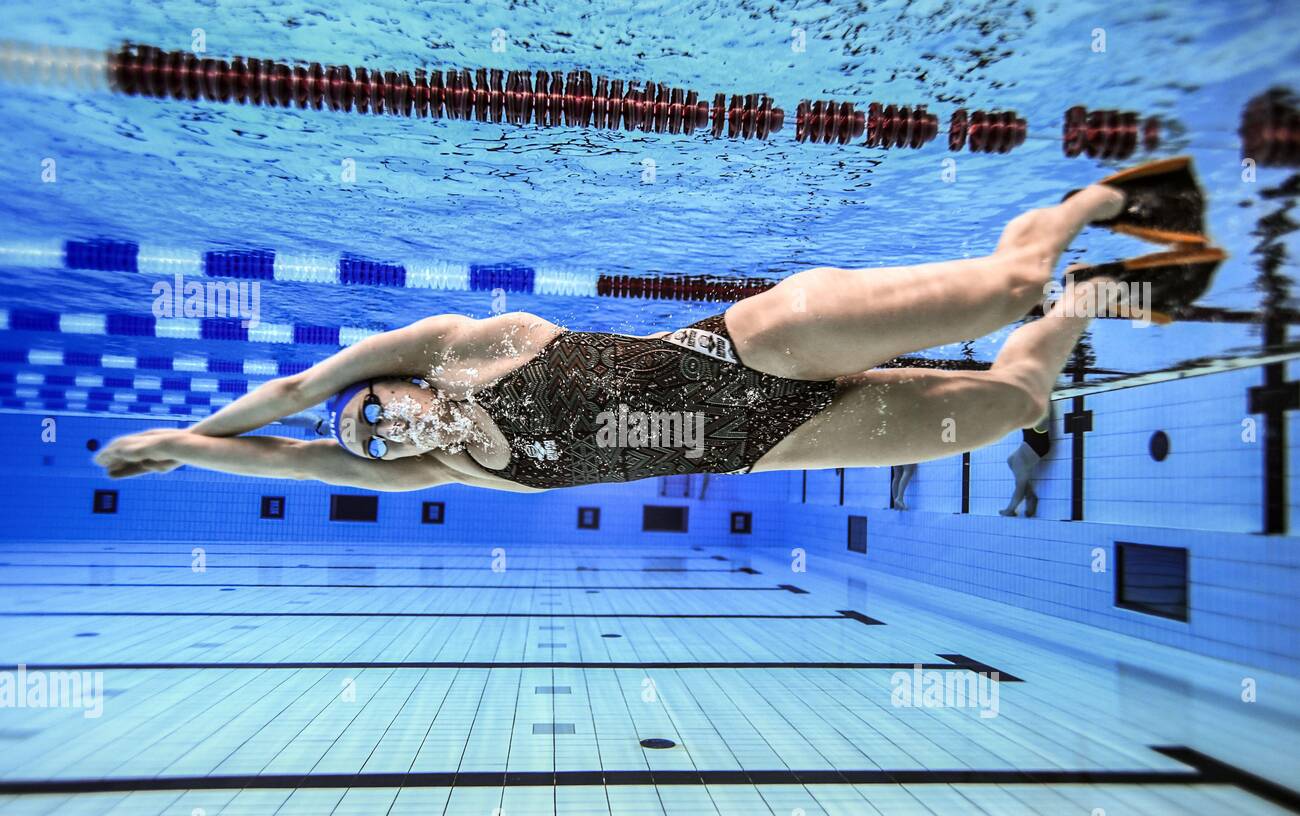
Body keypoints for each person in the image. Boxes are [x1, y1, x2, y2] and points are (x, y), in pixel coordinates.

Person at [94, 158, 1225, 494]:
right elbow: (306, 460)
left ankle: (1101, 200)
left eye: (377, 419)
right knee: (1012, 406)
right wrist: (192, 457)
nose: (389, 437)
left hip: (757, 345)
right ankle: (1086, 298)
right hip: (770, 439)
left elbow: (295, 413)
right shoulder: (454, 475)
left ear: (394, 385)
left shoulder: (450, 345)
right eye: (381, 448)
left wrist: (181, 429)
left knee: (990, 293)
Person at [1000, 409, 1051, 517]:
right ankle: (1030, 496)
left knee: (1020, 482)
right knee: (1011, 460)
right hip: (1030, 444)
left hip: (1035, 446)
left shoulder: (1035, 412)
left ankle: (1010, 509)